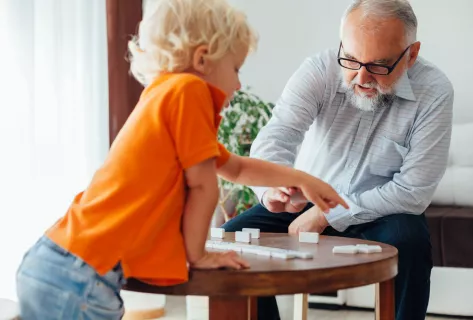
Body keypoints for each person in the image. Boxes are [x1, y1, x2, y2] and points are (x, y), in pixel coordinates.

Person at [14, 0, 349, 319]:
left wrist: (305, 179)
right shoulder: (189, 92)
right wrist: (198, 255)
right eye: (235, 68)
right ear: (203, 59)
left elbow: (237, 167)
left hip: (60, 263)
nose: (239, 83)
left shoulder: (165, 96)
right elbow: (204, 187)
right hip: (79, 276)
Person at [222, 0, 454, 319]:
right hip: (306, 199)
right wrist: (271, 189)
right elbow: (277, 135)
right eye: (351, 59)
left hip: (380, 210)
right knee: (231, 239)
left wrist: (325, 215)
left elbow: (414, 190)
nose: (361, 77)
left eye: (379, 66)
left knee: (410, 242)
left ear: (411, 55)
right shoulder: (320, 69)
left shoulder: (435, 90)